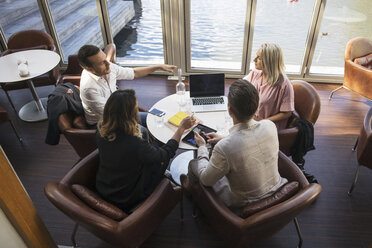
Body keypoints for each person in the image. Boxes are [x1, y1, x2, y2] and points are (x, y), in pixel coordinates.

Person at [188, 79, 287, 214]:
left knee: (194, 163)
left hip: (245, 203)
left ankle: (195, 196)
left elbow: (206, 180)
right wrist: (224, 139)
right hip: (276, 188)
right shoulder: (270, 126)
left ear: (229, 110)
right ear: (257, 107)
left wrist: (202, 147)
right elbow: (250, 139)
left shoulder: (224, 148)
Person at [96, 89, 196, 212]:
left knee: (145, 134)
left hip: (107, 187)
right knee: (161, 160)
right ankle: (178, 182)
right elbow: (164, 155)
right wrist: (181, 128)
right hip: (127, 195)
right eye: (136, 108)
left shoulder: (101, 129)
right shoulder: (134, 143)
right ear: (131, 115)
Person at [77, 44, 176, 127]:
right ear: (90, 69)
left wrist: (158, 66)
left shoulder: (107, 68)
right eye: (102, 63)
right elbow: (111, 115)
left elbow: (134, 73)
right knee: (147, 128)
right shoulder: (89, 88)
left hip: (120, 111)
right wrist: (134, 112)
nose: (108, 64)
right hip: (105, 123)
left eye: (105, 58)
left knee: (155, 120)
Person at [243, 43, 294, 131]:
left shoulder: (284, 85)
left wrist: (263, 122)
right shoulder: (255, 73)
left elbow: (287, 113)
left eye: (259, 58)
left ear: (269, 61)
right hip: (251, 122)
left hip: (268, 127)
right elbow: (241, 87)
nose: (254, 60)